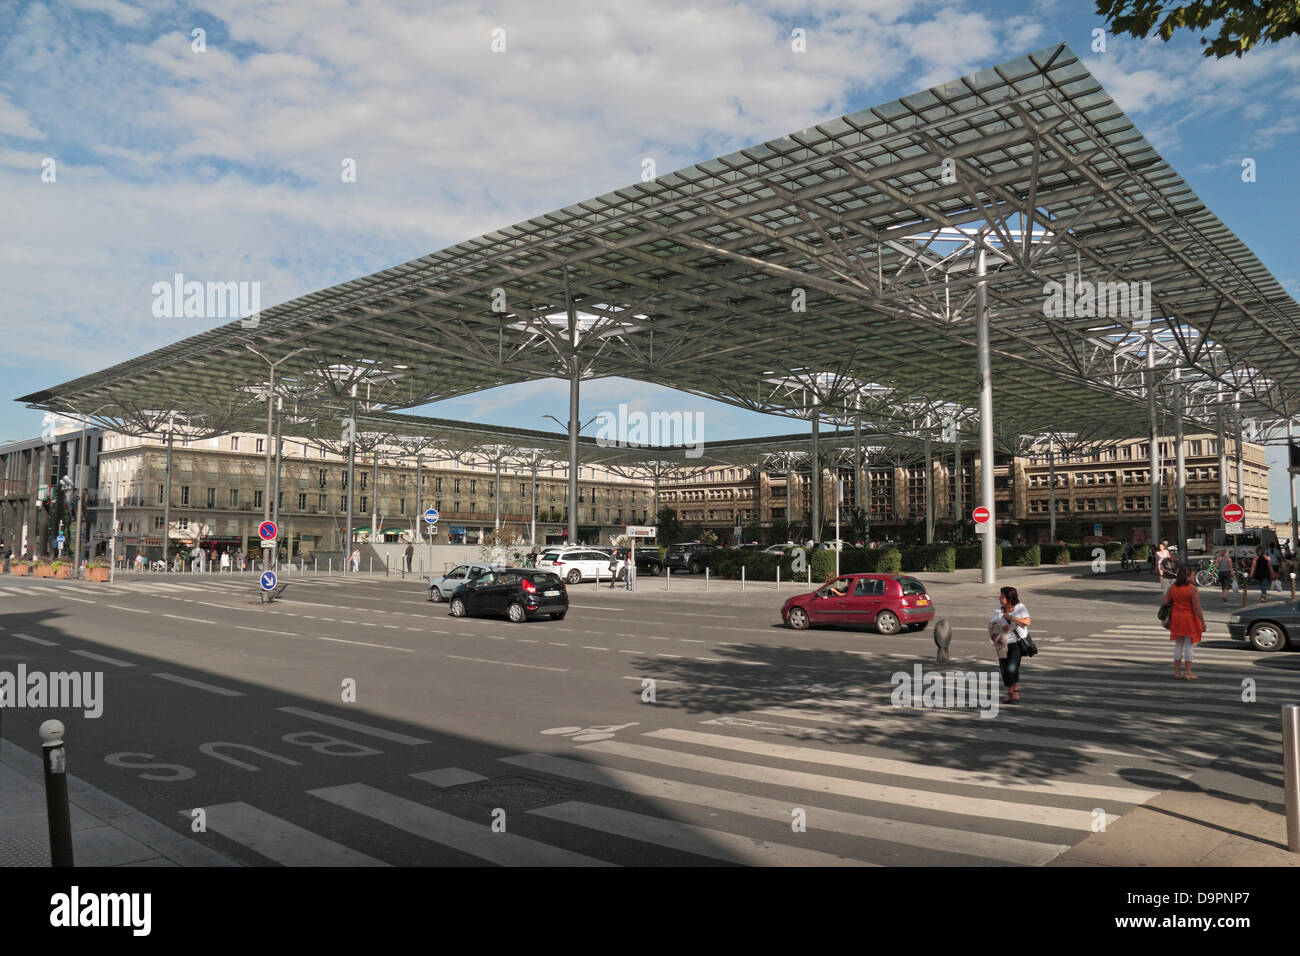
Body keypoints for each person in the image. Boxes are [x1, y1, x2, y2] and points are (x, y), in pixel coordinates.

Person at [1161, 564, 1205, 680]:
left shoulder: (1173, 588)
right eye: (1192, 575)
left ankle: (1177, 672)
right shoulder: (1192, 588)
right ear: (1187, 577)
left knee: (1178, 645)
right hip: (1189, 619)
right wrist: (1203, 622)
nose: (1194, 576)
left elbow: (1165, 602)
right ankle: (1188, 672)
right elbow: (1197, 607)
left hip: (1176, 618)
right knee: (1189, 645)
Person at [991, 585, 1031, 703]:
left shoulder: (1020, 607)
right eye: (1000, 596)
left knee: (1012, 668)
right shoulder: (997, 611)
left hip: (1016, 643)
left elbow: (1027, 622)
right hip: (1002, 644)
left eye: (1002, 597)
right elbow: (992, 626)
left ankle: (1015, 691)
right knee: (1004, 670)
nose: (1000, 598)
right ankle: (1009, 693)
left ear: (1009, 598)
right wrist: (1000, 627)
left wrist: (1011, 618)